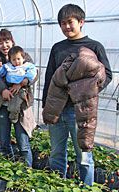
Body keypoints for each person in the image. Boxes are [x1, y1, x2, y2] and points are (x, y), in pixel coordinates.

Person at [42, 4, 112, 186]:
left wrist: (84, 93)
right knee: (57, 153)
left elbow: (107, 75)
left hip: (80, 112)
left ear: (81, 22)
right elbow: (50, 77)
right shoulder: (58, 48)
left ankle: (86, 188)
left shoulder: (94, 47)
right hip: (57, 110)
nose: (66, 27)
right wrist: (45, 105)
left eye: (70, 22)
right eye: (62, 23)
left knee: (84, 156)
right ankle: (58, 185)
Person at [0, 29, 36, 167]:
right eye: (0, 42)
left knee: (23, 142)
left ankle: (27, 171)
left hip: (20, 103)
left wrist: (22, 83)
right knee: (4, 140)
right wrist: (3, 89)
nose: (4, 45)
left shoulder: (22, 54)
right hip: (3, 103)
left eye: (7, 41)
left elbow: (34, 73)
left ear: (12, 41)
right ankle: (7, 168)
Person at [0, 45, 37, 124]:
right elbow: (1, 72)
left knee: (14, 106)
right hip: (8, 88)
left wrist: (25, 80)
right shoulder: (8, 66)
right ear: (10, 60)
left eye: (18, 59)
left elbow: (34, 72)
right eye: (14, 60)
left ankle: (13, 117)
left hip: (19, 90)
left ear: (23, 58)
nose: (17, 62)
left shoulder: (26, 66)